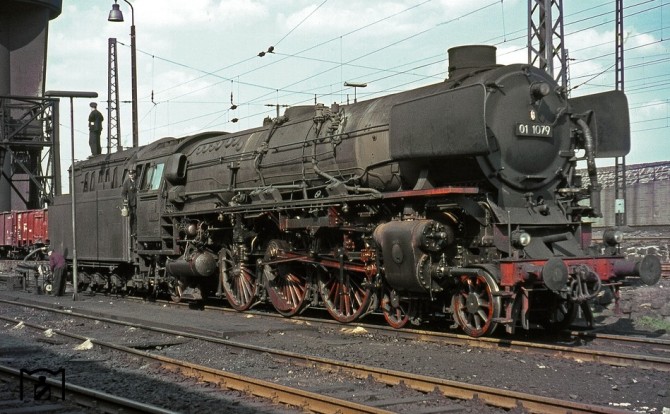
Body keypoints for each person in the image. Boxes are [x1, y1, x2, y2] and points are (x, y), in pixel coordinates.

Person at [122, 168, 138, 237]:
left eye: (132, 174)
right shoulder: (127, 183)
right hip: (131, 203)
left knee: (138, 216)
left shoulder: (138, 180)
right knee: (133, 217)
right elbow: (123, 193)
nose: (131, 175)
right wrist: (125, 201)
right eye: (130, 174)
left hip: (138, 202)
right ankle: (133, 232)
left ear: (135, 174)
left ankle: (138, 231)